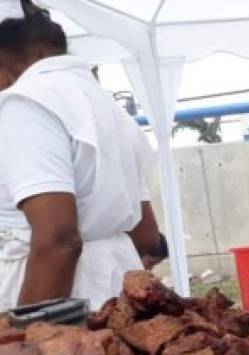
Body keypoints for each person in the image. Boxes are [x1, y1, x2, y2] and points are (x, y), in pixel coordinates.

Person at [0, 0, 163, 311]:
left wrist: (31, 340)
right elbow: (146, 236)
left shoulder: (25, 104)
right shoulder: (102, 105)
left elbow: (58, 239)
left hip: (55, 300)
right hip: (113, 290)